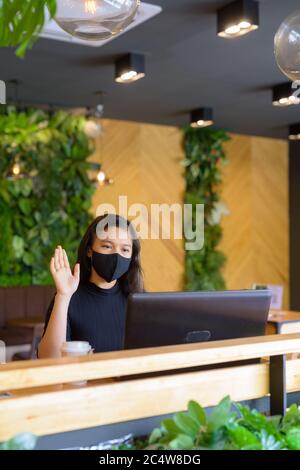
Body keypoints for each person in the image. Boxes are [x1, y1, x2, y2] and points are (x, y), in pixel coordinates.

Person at [38, 214, 144, 358]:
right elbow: (48, 358)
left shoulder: (138, 300)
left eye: (124, 250)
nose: (116, 255)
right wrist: (63, 296)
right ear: (89, 250)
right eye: (107, 246)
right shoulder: (69, 298)